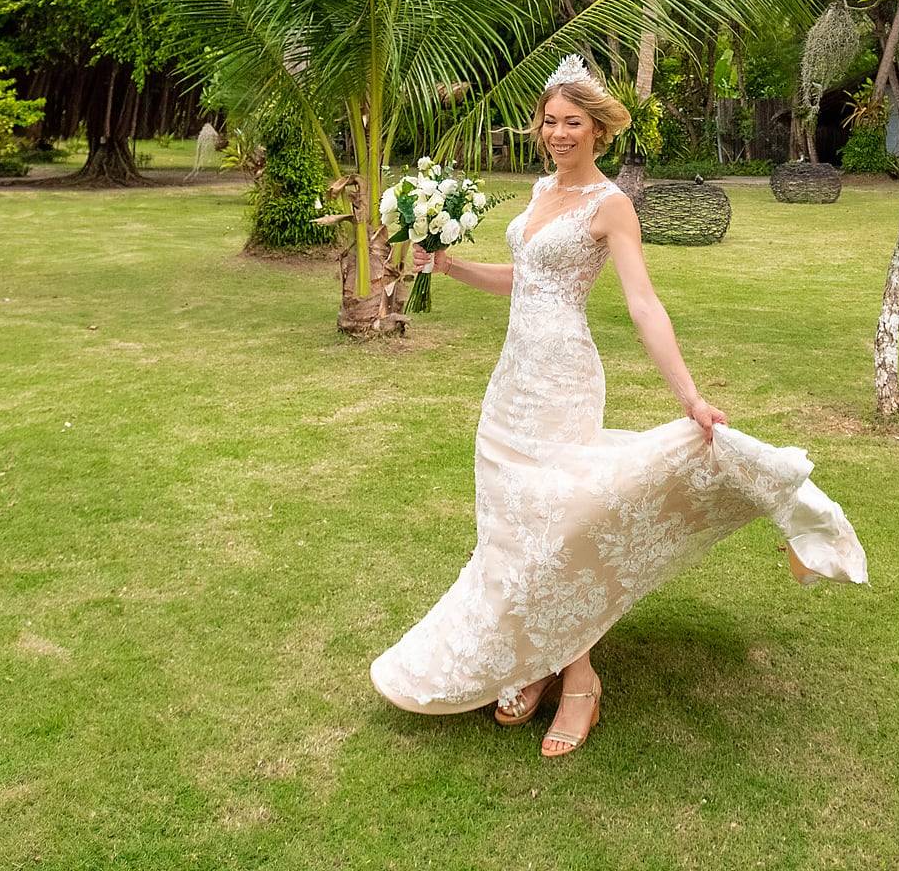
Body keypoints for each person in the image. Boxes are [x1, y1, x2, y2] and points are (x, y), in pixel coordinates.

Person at [371, 54, 866, 757]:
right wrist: (448, 266)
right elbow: (523, 277)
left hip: (564, 380)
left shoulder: (611, 206)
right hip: (511, 384)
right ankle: (536, 661)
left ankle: (580, 681)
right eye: (550, 121)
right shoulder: (541, 190)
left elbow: (643, 304)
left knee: (560, 523)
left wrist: (690, 396)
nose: (558, 133)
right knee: (512, 528)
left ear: (598, 130)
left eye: (573, 122)